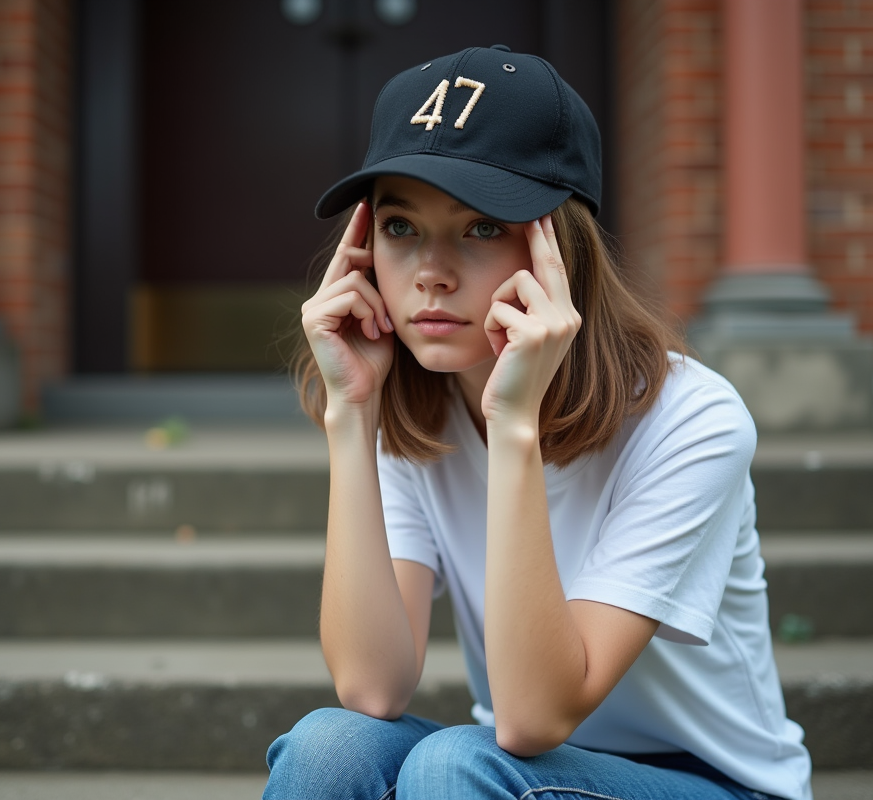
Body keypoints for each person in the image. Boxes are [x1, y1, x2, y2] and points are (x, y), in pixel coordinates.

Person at [266, 45, 813, 800]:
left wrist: (514, 425)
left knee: (457, 764)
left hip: (711, 782)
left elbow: (530, 719)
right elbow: (371, 687)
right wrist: (352, 415)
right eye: (399, 227)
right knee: (328, 748)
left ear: (562, 250)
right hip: (517, 771)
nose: (430, 270)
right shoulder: (414, 403)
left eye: (482, 228)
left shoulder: (693, 420)